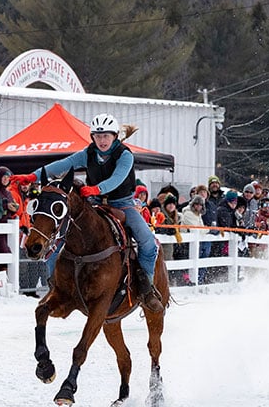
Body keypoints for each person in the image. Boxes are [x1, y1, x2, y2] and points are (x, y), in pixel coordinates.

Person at [11, 113, 163, 312]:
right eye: (97, 136)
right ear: (92, 137)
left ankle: (146, 288)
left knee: (148, 242)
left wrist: (97, 189)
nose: (101, 140)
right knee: (59, 237)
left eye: (106, 136)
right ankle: (56, 284)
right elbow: (61, 165)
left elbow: (118, 178)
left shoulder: (125, 155)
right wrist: (33, 176)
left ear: (115, 136)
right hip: (95, 202)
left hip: (123, 203)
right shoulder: (88, 153)